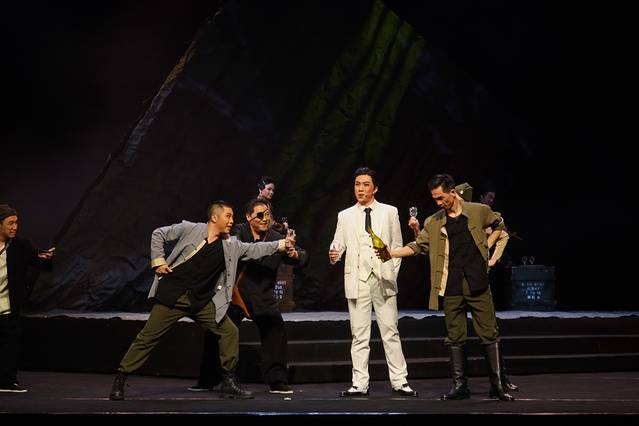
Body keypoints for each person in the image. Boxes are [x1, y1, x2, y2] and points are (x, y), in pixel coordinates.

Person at [108, 201, 294, 400]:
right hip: (173, 297)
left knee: (229, 331)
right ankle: (120, 378)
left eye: (232, 217)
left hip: (201, 301)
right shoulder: (191, 229)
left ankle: (228, 382)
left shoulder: (230, 244)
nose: (232, 221)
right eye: (228, 216)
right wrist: (158, 260)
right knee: (147, 338)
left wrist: (282, 244)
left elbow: (254, 249)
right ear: (214, 217)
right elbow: (158, 233)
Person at [382, 174, 515, 401]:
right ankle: (460, 386)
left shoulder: (477, 210)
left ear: (452, 192)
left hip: (477, 283)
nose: (438, 202)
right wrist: (391, 253)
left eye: (441, 197)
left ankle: (498, 386)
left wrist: (487, 246)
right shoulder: (434, 221)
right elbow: (418, 246)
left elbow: (499, 225)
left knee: (489, 333)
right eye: (435, 199)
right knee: (454, 336)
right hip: (451, 285)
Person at [189, 198, 308, 394]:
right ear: (248, 216)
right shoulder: (238, 232)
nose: (265, 219)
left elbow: (302, 256)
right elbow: (237, 249)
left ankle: (277, 380)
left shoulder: (275, 236)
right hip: (236, 295)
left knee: (275, 330)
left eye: (267, 214)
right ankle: (208, 380)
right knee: (216, 330)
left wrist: (293, 254)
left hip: (262, 295)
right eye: (260, 215)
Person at [328, 167, 417, 397]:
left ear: (375, 188)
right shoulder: (345, 215)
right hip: (358, 280)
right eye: (357, 184)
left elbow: (397, 247)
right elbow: (338, 243)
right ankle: (359, 383)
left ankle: (400, 381)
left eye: (365, 184)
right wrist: (334, 253)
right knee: (359, 334)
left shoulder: (389, 212)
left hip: (383, 279)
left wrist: (391, 274)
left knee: (390, 331)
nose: (360, 189)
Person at [0, 204, 55, 393]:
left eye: (16, 223)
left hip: (8, 306)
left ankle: (6, 381)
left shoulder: (20, 246)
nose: (15, 227)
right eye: (10, 223)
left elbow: (39, 261)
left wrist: (47, 258)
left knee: (10, 345)